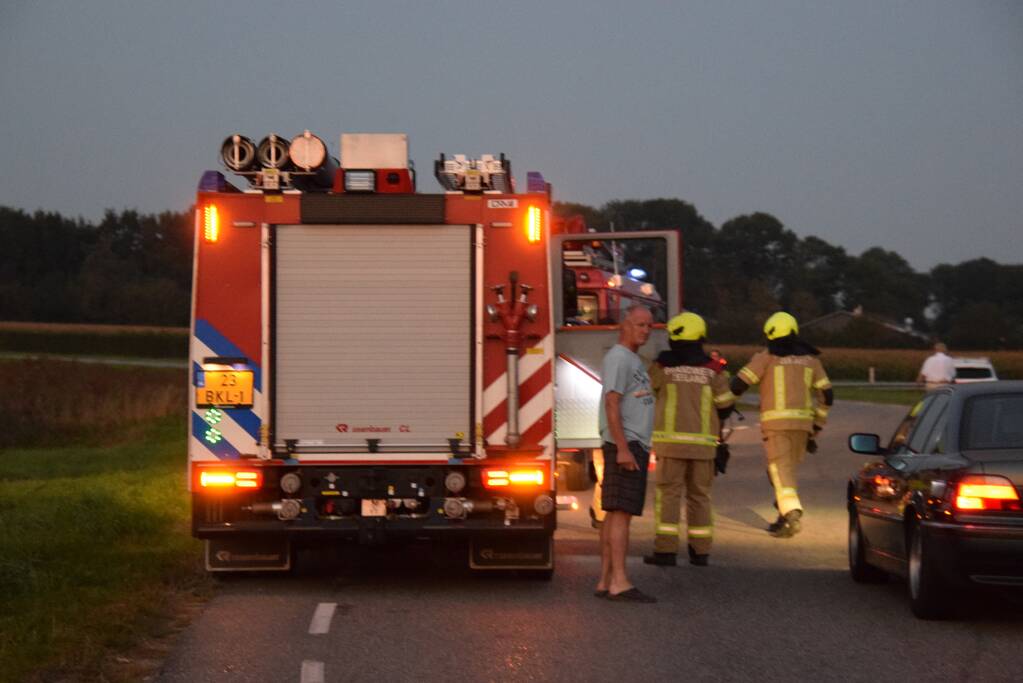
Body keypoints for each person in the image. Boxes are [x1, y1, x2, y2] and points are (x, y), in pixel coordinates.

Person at [643, 312, 735, 567]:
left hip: (671, 446)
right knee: (700, 497)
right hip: (704, 448)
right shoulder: (713, 370)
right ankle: (700, 551)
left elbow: (647, 389)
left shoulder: (663, 367)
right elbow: (726, 405)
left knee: (668, 496)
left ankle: (665, 552)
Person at [730, 312, 833, 538]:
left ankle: (792, 513)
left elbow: (738, 385)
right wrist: (817, 425)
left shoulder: (766, 357)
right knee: (785, 471)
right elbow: (827, 394)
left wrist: (722, 403)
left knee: (779, 470)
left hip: (776, 426)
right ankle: (782, 517)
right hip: (803, 427)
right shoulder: (811, 360)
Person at [594, 304, 656, 602]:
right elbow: (611, 403)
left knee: (614, 513)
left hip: (631, 443)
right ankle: (620, 581)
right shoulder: (619, 358)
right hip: (626, 444)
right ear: (625, 324)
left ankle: (606, 580)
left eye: (648, 326)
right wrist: (622, 448)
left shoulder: (632, 359)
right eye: (640, 324)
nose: (645, 330)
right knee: (621, 514)